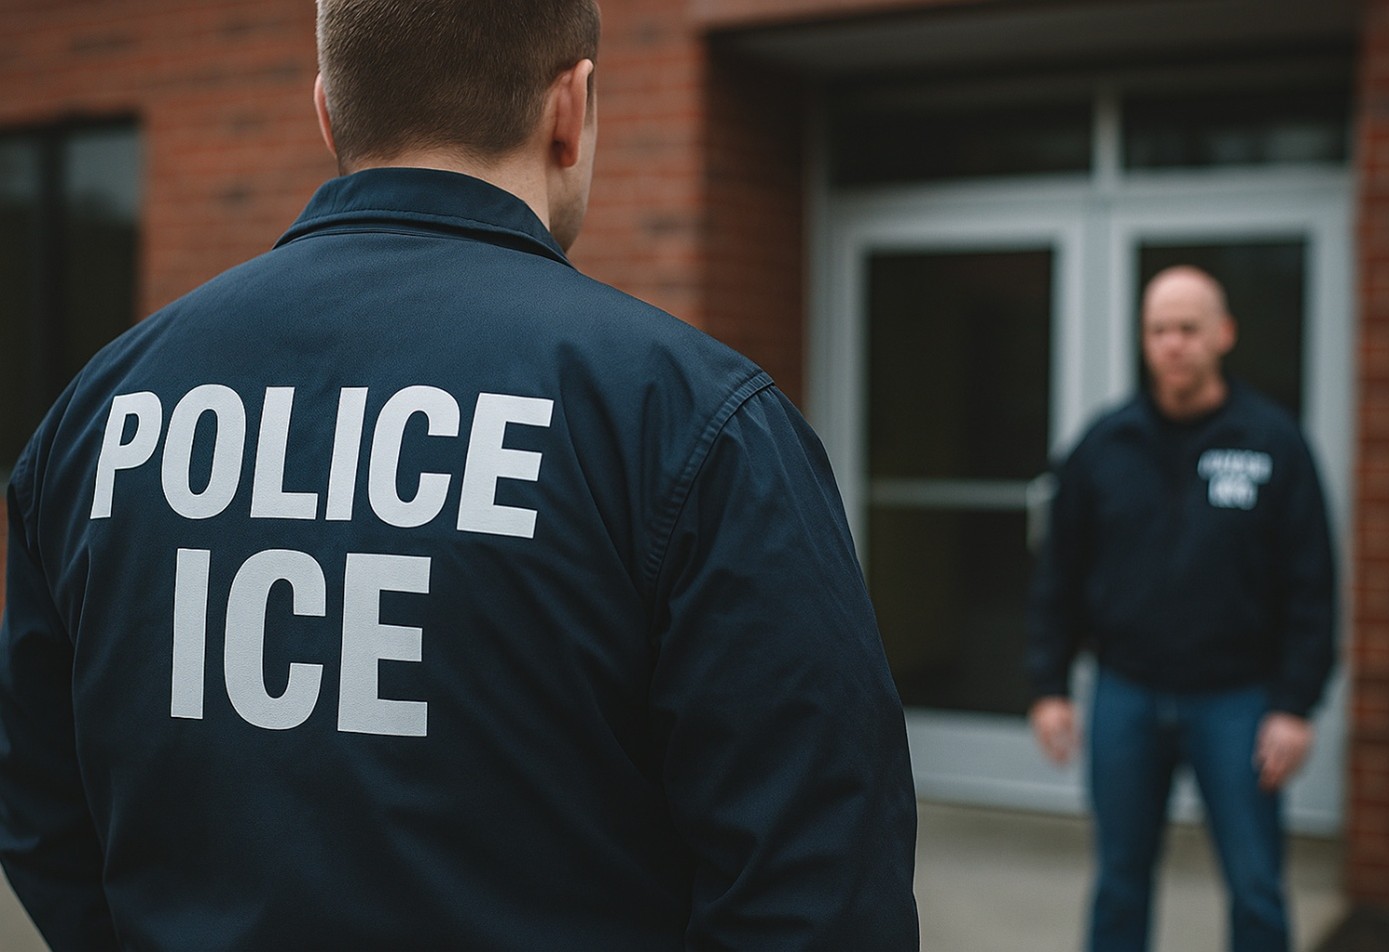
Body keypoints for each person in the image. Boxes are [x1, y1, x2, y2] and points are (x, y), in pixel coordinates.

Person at [0, 2, 919, 948]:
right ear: (572, 104)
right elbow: (820, 883)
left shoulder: (100, 414)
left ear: (328, 112)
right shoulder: (688, 419)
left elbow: (40, 811)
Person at [1026, 265, 1336, 952]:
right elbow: (1060, 573)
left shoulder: (1271, 443)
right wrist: (1048, 687)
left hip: (1238, 702)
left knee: (1255, 885)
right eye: (1158, 329)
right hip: (1126, 695)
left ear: (1222, 334)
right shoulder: (1104, 444)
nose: (1172, 344)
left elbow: (1312, 582)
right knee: (1118, 882)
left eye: (1188, 328)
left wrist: (1294, 704)